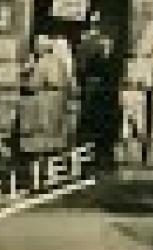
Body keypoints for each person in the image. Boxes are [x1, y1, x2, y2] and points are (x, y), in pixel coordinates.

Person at [75, 29, 124, 171]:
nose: (106, 48)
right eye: (104, 46)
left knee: (109, 133)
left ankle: (108, 160)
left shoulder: (116, 61)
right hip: (99, 100)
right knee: (97, 131)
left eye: (108, 46)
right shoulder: (95, 59)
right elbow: (87, 75)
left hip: (110, 100)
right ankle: (95, 160)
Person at [18, 34, 74, 155]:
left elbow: (35, 83)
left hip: (47, 96)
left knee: (45, 127)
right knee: (56, 126)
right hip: (60, 94)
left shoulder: (44, 61)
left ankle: (45, 156)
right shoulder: (60, 60)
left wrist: (25, 75)